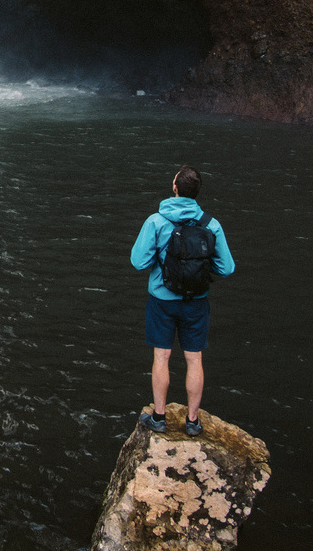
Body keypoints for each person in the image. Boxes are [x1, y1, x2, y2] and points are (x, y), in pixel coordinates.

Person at [129, 165, 235, 436]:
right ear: (196, 193)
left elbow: (138, 262)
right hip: (196, 301)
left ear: (174, 188)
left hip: (162, 301)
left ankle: (159, 417)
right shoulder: (211, 224)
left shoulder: (156, 221)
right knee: (194, 359)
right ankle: (192, 421)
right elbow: (227, 268)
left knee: (161, 357)